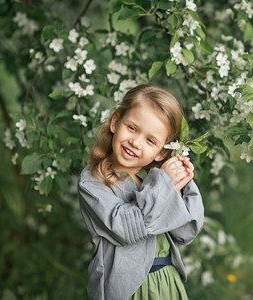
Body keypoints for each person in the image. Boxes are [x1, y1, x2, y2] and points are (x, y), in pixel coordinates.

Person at [78, 84, 204, 300]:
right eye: (132, 128)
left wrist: (180, 186)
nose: (135, 142)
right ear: (116, 122)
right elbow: (126, 229)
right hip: (128, 289)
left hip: (166, 282)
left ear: (161, 152)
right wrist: (164, 186)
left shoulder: (152, 178)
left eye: (151, 140)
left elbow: (186, 232)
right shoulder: (94, 180)